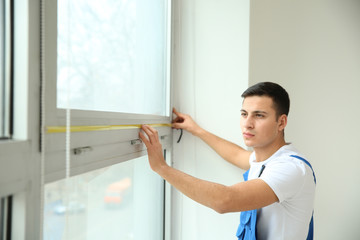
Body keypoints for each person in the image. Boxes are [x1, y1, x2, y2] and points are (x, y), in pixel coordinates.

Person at [139, 82, 316, 240]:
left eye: (259, 115)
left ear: (281, 122)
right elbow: (237, 155)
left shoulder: (291, 168)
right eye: (244, 114)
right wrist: (196, 130)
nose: (247, 123)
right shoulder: (265, 160)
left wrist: (161, 167)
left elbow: (225, 200)